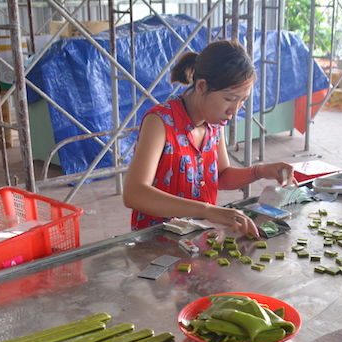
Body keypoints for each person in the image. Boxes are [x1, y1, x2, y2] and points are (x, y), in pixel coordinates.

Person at [122, 39, 293, 238]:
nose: (234, 110)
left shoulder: (213, 122)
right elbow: (134, 193)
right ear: (202, 86)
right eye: (229, 99)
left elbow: (219, 175)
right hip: (158, 240)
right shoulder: (160, 122)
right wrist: (207, 210)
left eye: (242, 100)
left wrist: (260, 171)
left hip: (199, 236)